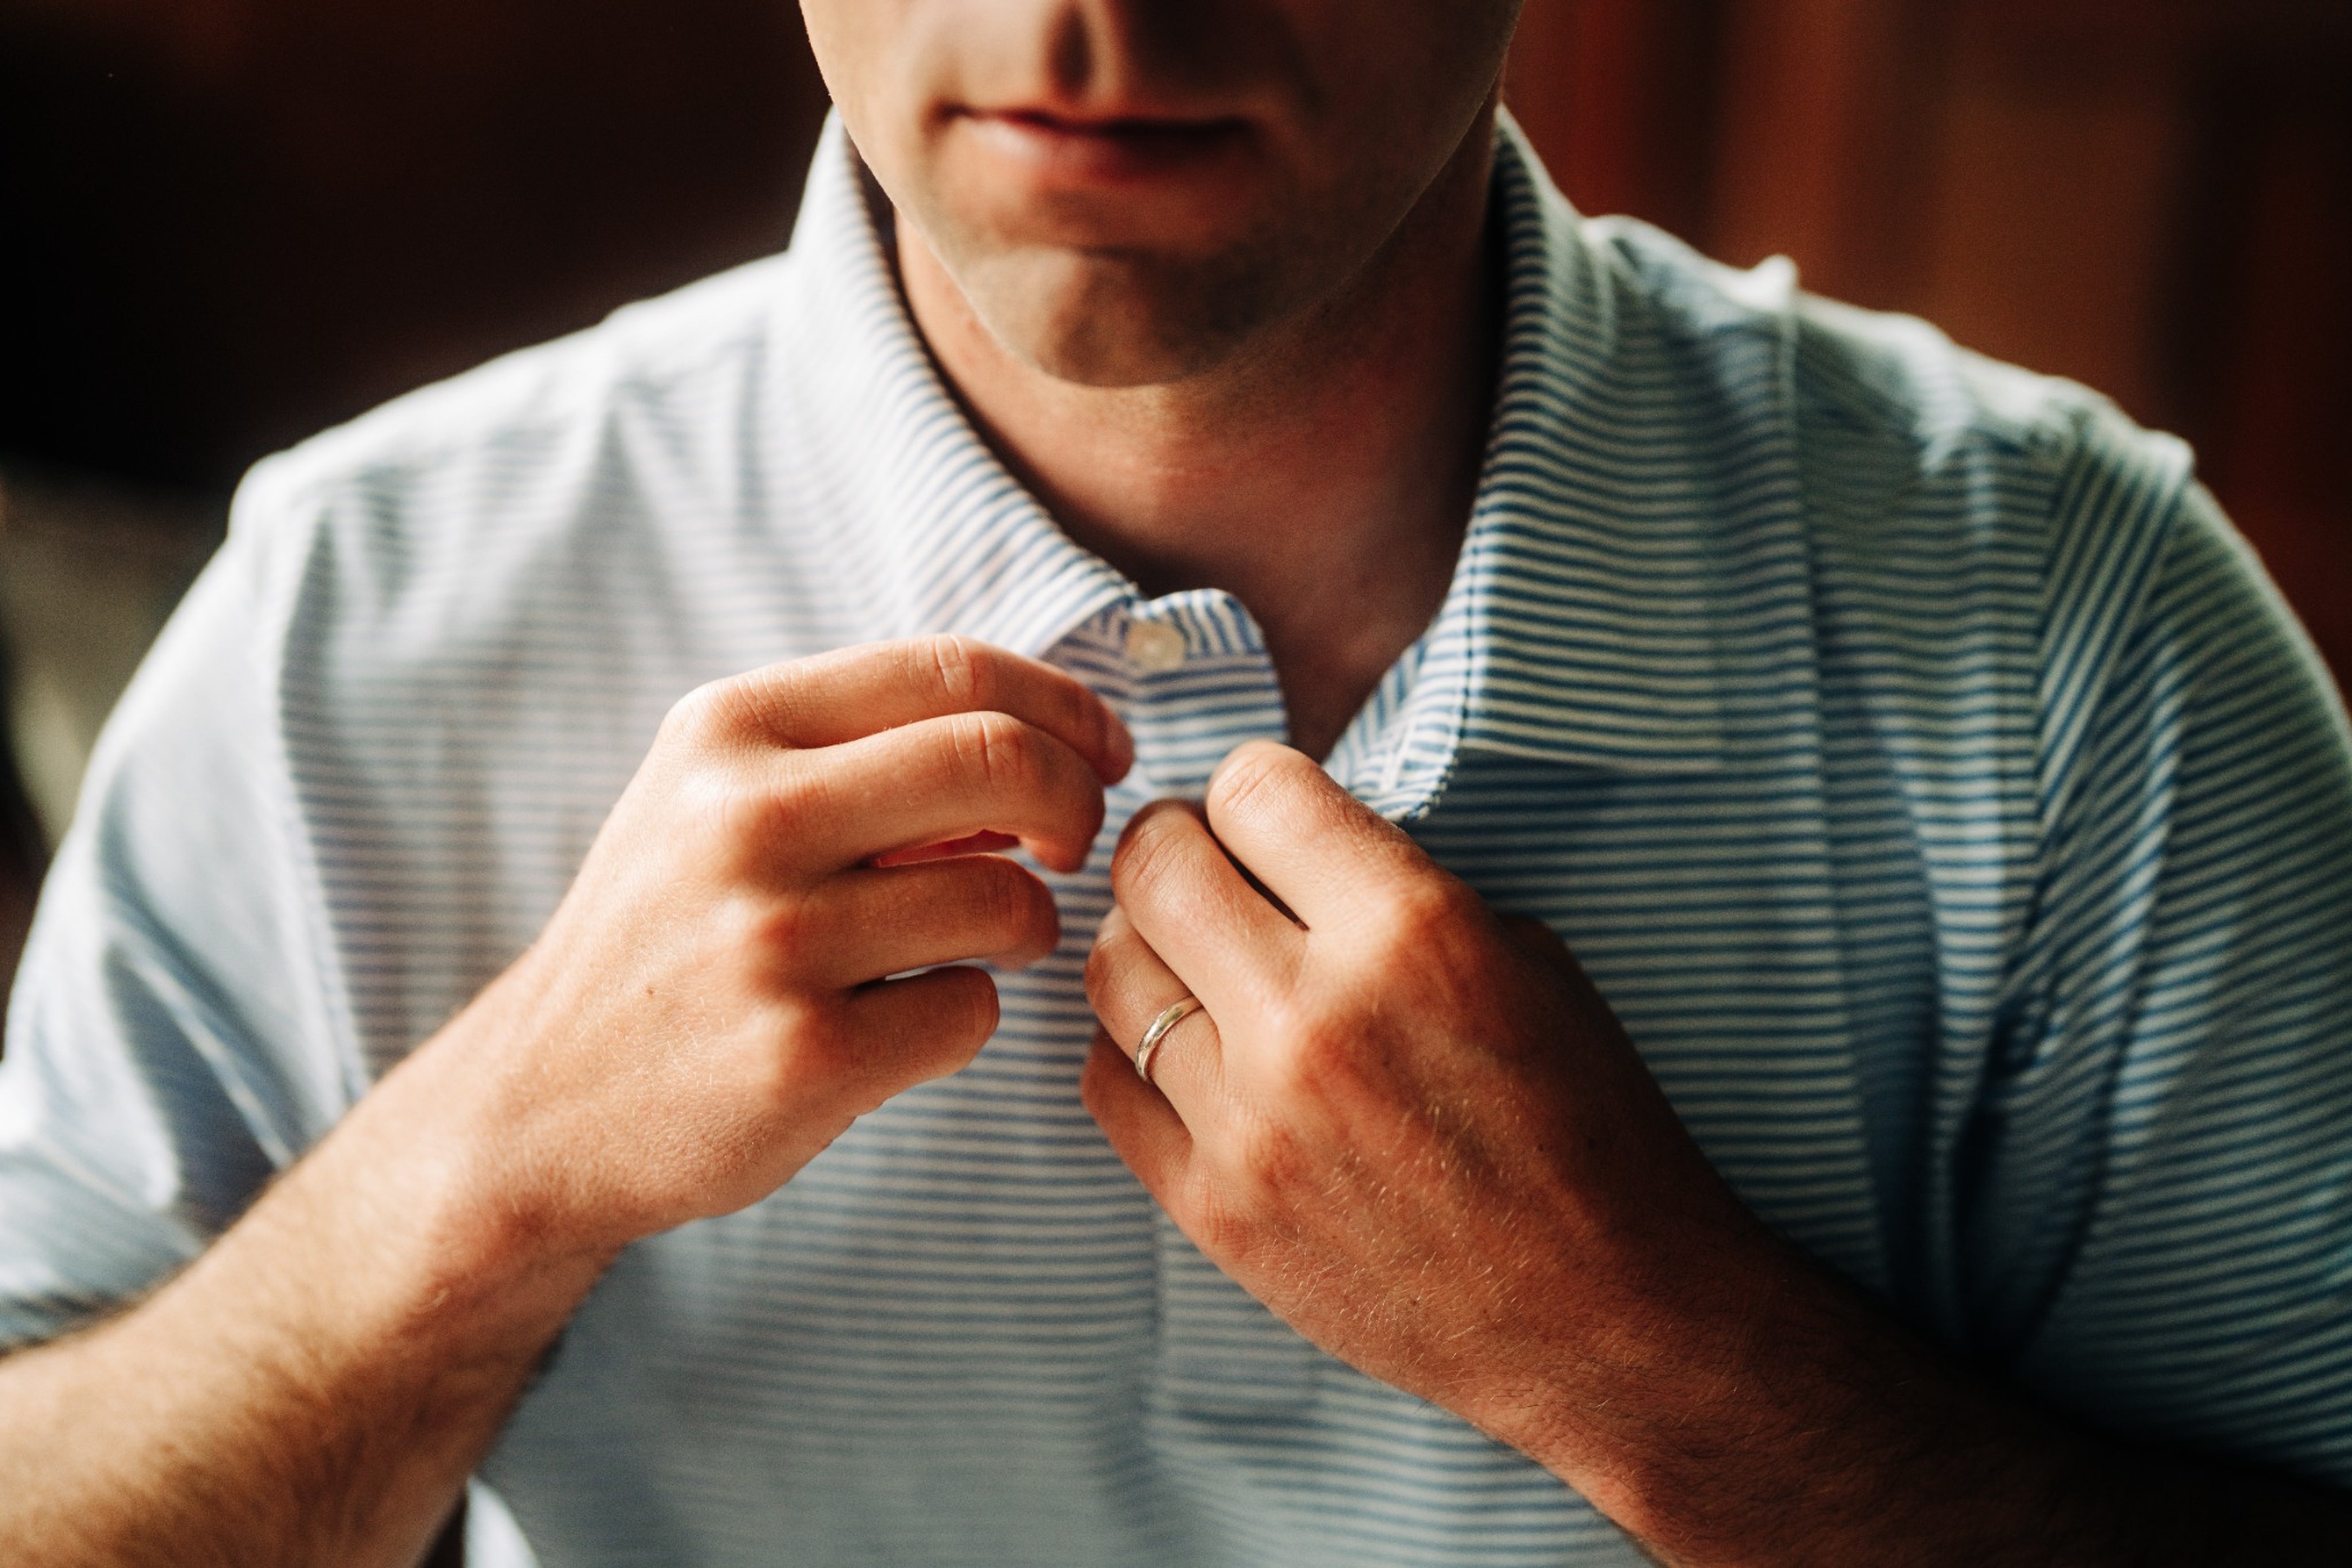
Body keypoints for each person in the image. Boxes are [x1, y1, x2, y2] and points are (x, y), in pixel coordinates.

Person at [2, 2, 2349, 1563]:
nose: (1092, 11)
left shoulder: (2080, 643)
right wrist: (480, 1179)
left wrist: (1648, 1351)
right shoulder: (350, 617)